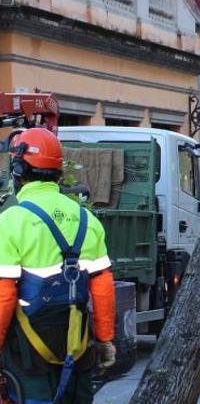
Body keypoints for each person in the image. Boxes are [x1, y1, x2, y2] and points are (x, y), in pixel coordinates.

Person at [0, 128, 116, 403]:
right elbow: (102, 287)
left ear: (18, 169)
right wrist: (105, 340)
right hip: (77, 346)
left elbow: (4, 296)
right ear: (58, 172)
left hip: (29, 353)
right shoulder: (87, 219)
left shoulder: (10, 221)